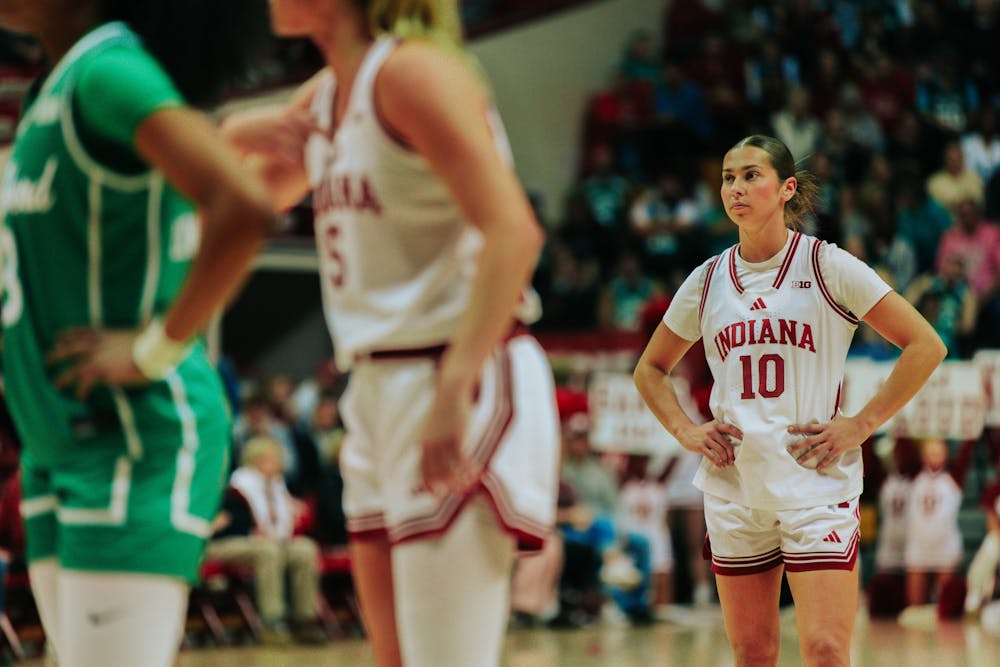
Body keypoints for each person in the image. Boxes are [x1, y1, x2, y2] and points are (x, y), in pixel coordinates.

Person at [220, 2, 560, 666]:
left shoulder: (410, 74)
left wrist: (453, 385)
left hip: (455, 367)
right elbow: (243, 203)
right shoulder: (324, 94)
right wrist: (235, 128)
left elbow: (514, 232)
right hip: (376, 385)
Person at [0, 2, 274, 667]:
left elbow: (243, 204)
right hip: (59, 444)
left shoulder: (108, 71)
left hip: (130, 435)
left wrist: (156, 346)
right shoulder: (58, 84)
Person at [634, 134, 946, 666]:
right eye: (729, 176)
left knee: (825, 650)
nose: (736, 187)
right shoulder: (707, 280)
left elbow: (926, 345)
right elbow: (651, 370)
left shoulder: (829, 267)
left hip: (815, 483)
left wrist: (862, 424)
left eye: (752, 175)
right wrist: (687, 431)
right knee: (754, 654)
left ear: (787, 189)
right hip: (736, 484)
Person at [206, 436, 328, 645]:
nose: (277, 464)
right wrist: (251, 531)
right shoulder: (236, 487)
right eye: (270, 459)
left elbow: (282, 523)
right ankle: (272, 622)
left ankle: (304, 620)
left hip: (266, 541)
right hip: (226, 543)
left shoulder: (277, 484)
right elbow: (226, 525)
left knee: (304, 549)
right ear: (255, 460)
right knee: (267, 551)